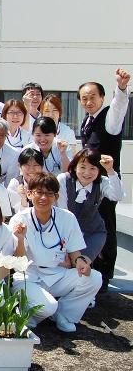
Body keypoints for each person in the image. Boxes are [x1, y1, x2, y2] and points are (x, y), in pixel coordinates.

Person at [9, 173, 102, 332]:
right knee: (48, 307)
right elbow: (18, 261)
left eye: (49, 193)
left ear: (56, 197)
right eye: (39, 192)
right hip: (29, 276)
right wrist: (20, 238)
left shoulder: (67, 218)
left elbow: (75, 251)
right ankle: (34, 314)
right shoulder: (19, 219)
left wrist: (80, 262)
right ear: (29, 194)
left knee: (94, 277)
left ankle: (64, 315)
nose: (43, 197)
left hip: (57, 274)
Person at [77, 68, 130, 290]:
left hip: (107, 182)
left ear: (102, 97)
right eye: (84, 98)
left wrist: (121, 88)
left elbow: (119, 108)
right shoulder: (87, 121)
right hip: (89, 181)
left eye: (93, 97)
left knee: (106, 224)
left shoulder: (109, 118)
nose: (88, 102)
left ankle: (105, 273)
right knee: (92, 224)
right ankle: (92, 266)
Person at [56, 150, 122, 263]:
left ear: (99, 170)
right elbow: (63, 212)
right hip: (66, 232)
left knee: (81, 264)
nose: (87, 173)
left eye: (93, 168)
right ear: (75, 167)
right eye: (82, 167)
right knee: (66, 264)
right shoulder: (63, 179)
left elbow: (117, 196)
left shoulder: (102, 182)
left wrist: (110, 170)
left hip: (93, 232)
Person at [7, 148, 45, 214]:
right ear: (19, 166)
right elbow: (19, 214)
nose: (31, 169)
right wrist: (23, 199)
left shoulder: (47, 183)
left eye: (36, 165)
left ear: (42, 167)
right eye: (27, 165)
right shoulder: (15, 183)